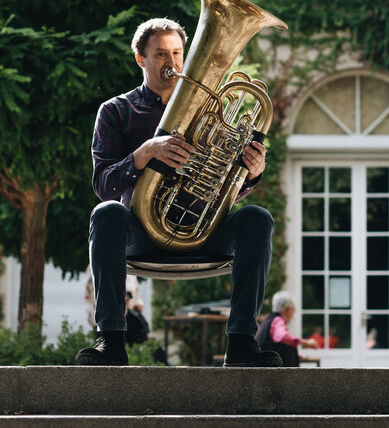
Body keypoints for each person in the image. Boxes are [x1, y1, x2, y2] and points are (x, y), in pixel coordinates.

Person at [76, 18, 280, 367]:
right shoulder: (115, 111)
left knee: (257, 219)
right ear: (141, 59)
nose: (170, 62)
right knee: (105, 214)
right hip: (141, 232)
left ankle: (242, 342)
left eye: (176, 53)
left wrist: (249, 173)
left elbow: (225, 185)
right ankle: (110, 341)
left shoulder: (212, 111)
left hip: (203, 232)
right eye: (159, 54)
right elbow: (103, 184)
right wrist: (143, 155)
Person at [255, 291, 318, 367]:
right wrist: (306, 343)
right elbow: (283, 337)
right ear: (287, 309)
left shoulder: (268, 320)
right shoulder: (278, 320)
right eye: (293, 309)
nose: (293, 312)